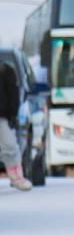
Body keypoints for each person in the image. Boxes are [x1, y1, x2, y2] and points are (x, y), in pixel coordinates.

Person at [1, 61, 32, 191]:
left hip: (2, 115)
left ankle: (17, 177)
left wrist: (12, 114)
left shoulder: (5, 70)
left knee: (10, 146)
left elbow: (13, 93)